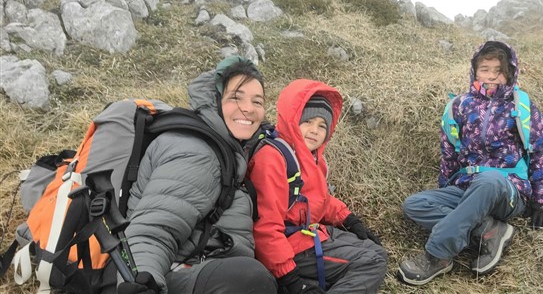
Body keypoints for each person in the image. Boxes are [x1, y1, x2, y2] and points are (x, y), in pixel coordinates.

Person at [398, 41, 543, 285]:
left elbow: (538, 152)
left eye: (498, 70)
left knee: (489, 180)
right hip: (467, 187)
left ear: (510, 72)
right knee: (414, 205)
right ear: (474, 71)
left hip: (506, 190)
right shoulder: (459, 106)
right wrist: (444, 188)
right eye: (485, 68)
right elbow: (449, 152)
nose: (491, 76)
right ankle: (490, 231)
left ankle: (437, 255)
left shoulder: (521, 106)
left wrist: (541, 203)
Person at [118, 56, 277, 294]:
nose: (249, 108)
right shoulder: (196, 151)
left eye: (257, 101)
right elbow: (152, 232)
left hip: (203, 269)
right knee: (251, 279)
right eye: (236, 97)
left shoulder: (229, 151)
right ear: (214, 100)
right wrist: (143, 284)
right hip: (172, 274)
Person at [248, 79, 388, 294]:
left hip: (307, 233)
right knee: (370, 263)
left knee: (377, 252)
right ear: (293, 121)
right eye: (308, 121)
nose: (315, 130)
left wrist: (349, 219)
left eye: (322, 125)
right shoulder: (273, 158)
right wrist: (291, 279)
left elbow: (318, 198)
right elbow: (265, 228)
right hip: (289, 245)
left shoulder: (310, 157)